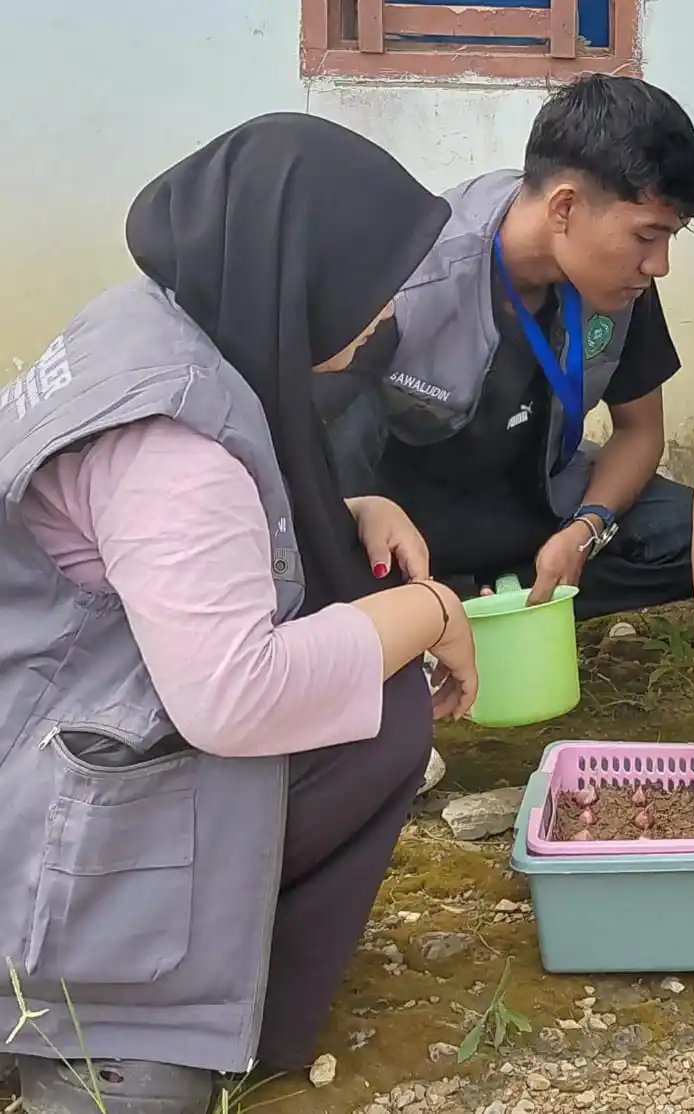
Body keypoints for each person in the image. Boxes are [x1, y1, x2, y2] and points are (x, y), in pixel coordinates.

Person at [0, 113, 479, 1114]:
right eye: (372, 277)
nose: (388, 308)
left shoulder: (142, 322)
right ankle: (106, 1007)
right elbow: (234, 695)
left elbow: (165, 554)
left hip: (42, 705)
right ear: (295, 270)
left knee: (364, 675)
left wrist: (351, 513)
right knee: (384, 708)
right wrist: (433, 610)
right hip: (49, 819)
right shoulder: (175, 441)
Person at [322, 74, 694, 618]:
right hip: (408, 517)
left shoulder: (622, 286)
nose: (658, 265)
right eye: (645, 236)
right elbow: (316, 441)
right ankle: (404, 599)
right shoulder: (411, 276)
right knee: (348, 417)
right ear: (564, 209)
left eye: (668, 239)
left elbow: (640, 431)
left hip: (542, 502)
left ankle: (494, 599)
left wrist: (587, 530)